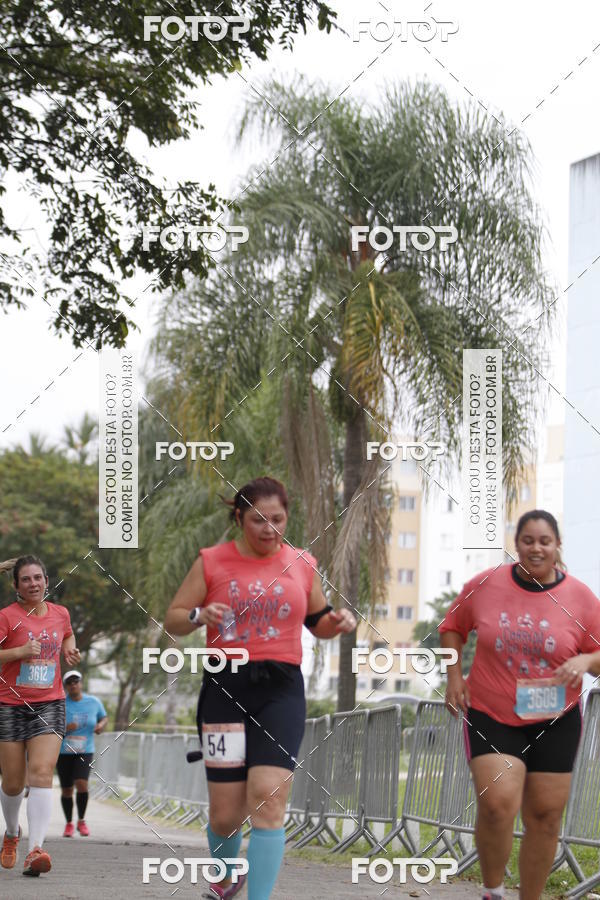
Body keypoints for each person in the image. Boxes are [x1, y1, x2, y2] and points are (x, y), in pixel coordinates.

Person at [164, 476, 356, 900]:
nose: (269, 529)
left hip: (281, 689)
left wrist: (337, 624)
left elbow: (318, 621)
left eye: (277, 519)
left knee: (269, 799)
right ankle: (225, 879)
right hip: (224, 688)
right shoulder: (212, 561)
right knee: (227, 813)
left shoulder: (303, 562)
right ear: (238, 518)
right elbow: (174, 618)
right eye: (257, 520)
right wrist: (199, 614)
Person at [440, 509, 600, 900]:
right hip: (493, 712)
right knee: (497, 805)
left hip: (555, 717)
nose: (536, 548)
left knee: (545, 817)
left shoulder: (580, 598)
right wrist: (454, 677)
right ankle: (493, 891)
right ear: (517, 545)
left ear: (558, 545)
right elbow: (452, 628)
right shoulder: (487, 584)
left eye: (545, 541)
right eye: (528, 540)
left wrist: (586, 660)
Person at [0, 555, 80, 877]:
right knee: (13, 784)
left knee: (43, 773)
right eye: (26, 580)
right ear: (16, 586)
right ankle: (11, 833)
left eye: (38, 578)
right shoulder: (6, 617)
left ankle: (36, 849)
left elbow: (68, 634)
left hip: (49, 703)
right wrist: (19, 652)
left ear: (47, 580)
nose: (33, 584)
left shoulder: (60, 614)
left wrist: (69, 649)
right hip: (9, 705)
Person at [57, 670, 107, 837]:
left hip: (85, 750)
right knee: (66, 790)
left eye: (76, 681)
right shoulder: (61, 703)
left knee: (81, 783)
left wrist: (101, 726)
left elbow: (103, 717)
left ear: (81, 683)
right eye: (69, 683)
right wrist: (65, 728)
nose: (73, 685)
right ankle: (69, 823)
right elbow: (50, 725)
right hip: (64, 751)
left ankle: (82, 820)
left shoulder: (93, 701)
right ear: (66, 686)